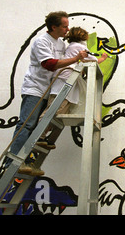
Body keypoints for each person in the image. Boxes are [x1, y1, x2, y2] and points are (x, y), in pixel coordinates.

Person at [5, 12, 88, 176]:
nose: (67, 29)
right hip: (35, 88)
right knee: (27, 124)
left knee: (40, 123)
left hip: (49, 88)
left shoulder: (60, 43)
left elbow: (65, 60)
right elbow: (49, 64)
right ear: (54, 27)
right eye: (64, 26)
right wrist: (76, 59)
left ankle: (27, 159)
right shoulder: (41, 41)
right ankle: (12, 161)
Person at [36, 27, 108, 150]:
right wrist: (104, 57)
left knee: (59, 112)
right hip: (66, 82)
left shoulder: (72, 46)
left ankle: (44, 137)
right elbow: (94, 62)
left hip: (67, 82)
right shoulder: (79, 47)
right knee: (54, 111)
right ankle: (39, 136)